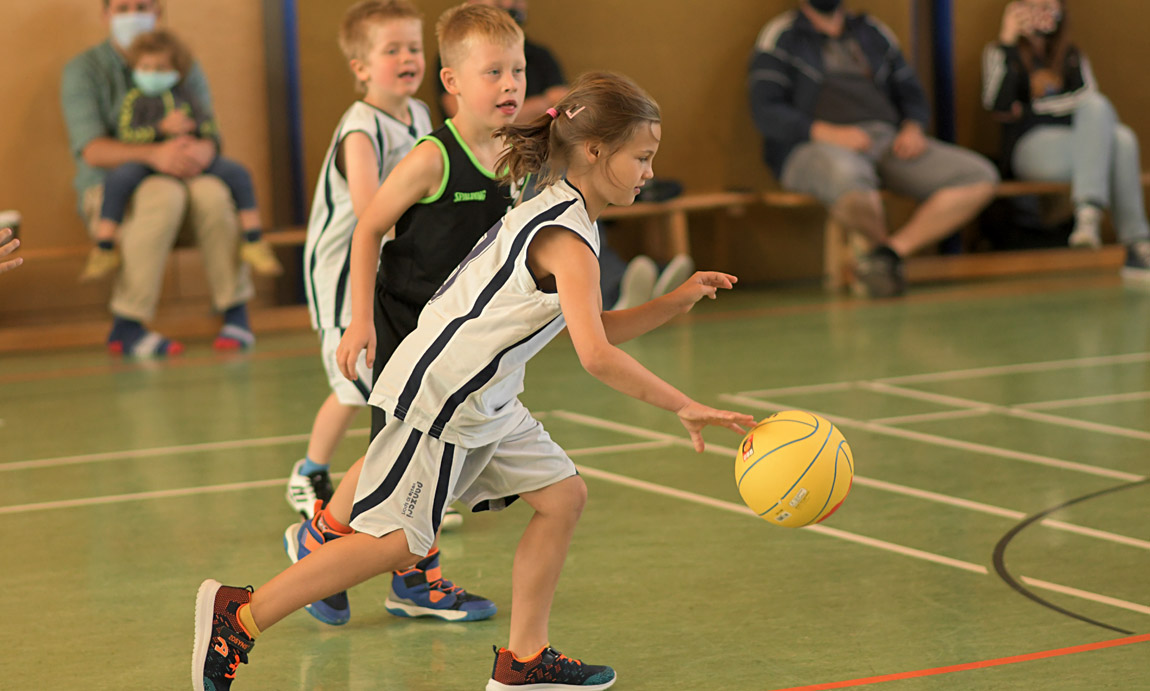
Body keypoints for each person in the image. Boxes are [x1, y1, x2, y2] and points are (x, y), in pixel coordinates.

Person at [193, 68, 756, 691]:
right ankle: (240, 616)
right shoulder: (566, 236)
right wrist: (683, 405)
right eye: (642, 157)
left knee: (562, 497)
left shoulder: (570, 214)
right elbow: (595, 355)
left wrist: (678, 298)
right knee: (397, 544)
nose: (650, 171)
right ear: (596, 151)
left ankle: (524, 660)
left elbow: (591, 328)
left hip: (487, 397)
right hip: (444, 394)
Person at [287, 1, 534, 630]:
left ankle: (347, 549)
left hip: (453, 326)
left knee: (419, 451)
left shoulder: (509, 148)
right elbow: (369, 223)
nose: (509, 84)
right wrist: (359, 321)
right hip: (400, 317)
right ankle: (378, 562)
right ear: (455, 82)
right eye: (494, 72)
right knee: (411, 449)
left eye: (517, 71)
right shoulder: (420, 150)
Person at [748, 0, 1000, 298]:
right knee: (848, 175)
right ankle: (881, 262)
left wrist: (914, 126)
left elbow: (912, 93)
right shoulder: (781, 36)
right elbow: (766, 110)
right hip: (812, 145)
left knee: (978, 175)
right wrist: (828, 133)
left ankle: (888, 255)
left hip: (886, 140)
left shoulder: (873, 32)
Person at [61, 0, 257, 356]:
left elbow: (210, 131)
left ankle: (235, 311)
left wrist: (204, 150)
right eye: (123, 8)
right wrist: (154, 154)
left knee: (214, 192)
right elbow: (92, 149)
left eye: (143, 6)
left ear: (158, 13)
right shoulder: (84, 70)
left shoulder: (183, 62)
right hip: (115, 194)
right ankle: (127, 323)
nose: (133, 15)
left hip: (189, 180)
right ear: (105, 15)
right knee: (162, 194)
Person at [79, 29, 283, 282]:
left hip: (191, 158)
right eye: (146, 67)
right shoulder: (134, 100)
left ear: (177, 70)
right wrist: (159, 130)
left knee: (237, 174)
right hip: (148, 163)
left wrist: (199, 141)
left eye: (161, 68)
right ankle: (105, 245)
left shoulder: (187, 96)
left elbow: (209, 126)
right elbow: (128, 133)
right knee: (118, 180)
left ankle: (253, 238)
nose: (152, 74)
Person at [983, 0, 1150, 281]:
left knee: (1120, 136)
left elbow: (1090, 103)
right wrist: (1008, 41)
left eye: (1048, 5)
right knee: (1112, 132)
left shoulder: (1072, 56)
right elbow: (999, 106)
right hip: (1031, 147)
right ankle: (1105, 221)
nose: (1041, 11)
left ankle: (1110, 228)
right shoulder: (999, 52)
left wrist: (1032, 108)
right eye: (1032, 5)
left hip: (1079, 144)